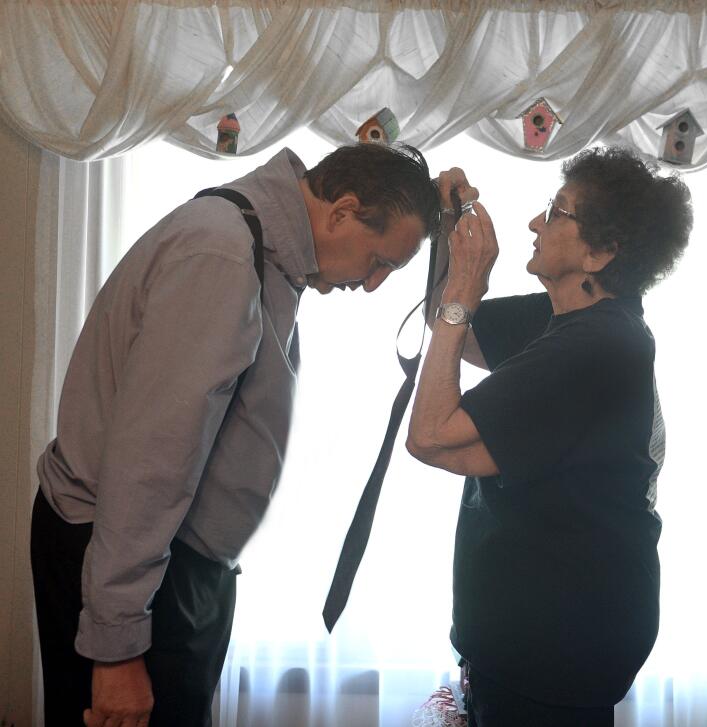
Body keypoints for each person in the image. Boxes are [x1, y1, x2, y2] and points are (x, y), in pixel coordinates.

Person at [30, 142, 441, 727]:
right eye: (380, 261)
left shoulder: (261, 240)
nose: (372, 285)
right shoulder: (223, 254)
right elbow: (151, 463)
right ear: (343, 211)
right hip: (131, 558)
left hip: (169, 562)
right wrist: (116, 646)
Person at [407, 147, 693, 726]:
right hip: (520, 651)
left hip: (555, 658)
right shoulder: (562, 321)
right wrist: (450, 232)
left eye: (557, 212)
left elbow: (431, 436)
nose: (537, 223)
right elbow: (448, 327)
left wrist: (467, 283)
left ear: (601, 251)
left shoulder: (600, 346)